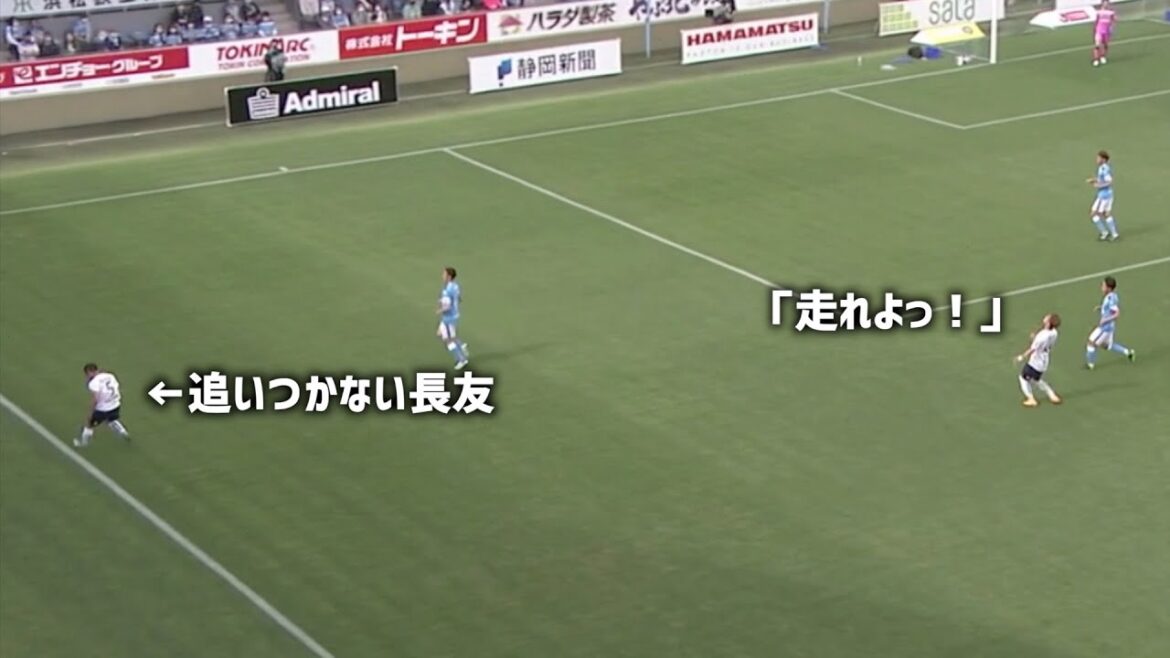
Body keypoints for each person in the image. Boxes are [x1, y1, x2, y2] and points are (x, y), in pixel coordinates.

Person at [1085, 276, 1135, 369]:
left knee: (1091, 342)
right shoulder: (1112, 296)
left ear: (1109, 288)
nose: (1101, 287)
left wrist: (1105, 320)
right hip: (1109, 327)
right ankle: (1128, 352)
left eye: (1103, 285)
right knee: (1107, 345)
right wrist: (1101, 308)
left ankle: (1090, 364)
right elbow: (1110, 309)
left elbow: (1116, 314)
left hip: (1105, 328)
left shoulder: (1110, 299)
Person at [76, 363, 131, 447]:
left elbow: (95, 398)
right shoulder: (110, 375)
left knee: (89, 424)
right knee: (111, 420)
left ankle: (83, 442)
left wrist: (90, 412)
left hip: (103, 409)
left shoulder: (93, 383)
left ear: (89, 372)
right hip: (115, 404)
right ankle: (123, 432)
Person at [1015, 314, 1062, 408]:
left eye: (1047, 318)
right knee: (1036, 379)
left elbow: (1033, 349)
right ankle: (1052, 395)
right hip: (1044, 360)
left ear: (1048, 323)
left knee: (1023, 378)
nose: (1045, 317)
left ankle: (1031, 399)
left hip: (1036, 361)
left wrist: (1022, 357)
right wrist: (1035, 337)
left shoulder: (1041, 337)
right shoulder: (1054, 332)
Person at [437, 267, 469, 370]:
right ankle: (461, 346)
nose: (442, 276)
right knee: (443, 335)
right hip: (454, 315)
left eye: (444, 274)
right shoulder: (455, 286)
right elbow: (459, 298)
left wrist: (440, 310)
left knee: (448, 340)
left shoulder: (447, 290)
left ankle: (461, 360)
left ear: (449, 276)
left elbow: (447, 306)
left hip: (448, 318)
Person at [1086, 150, 1117, 241]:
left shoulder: (1104, 169)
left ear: (1103, 159)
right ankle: (1113, 233)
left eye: (1098, 158)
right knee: (1105, 214)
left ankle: (1105, 232)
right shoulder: (1102, 168)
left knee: (1095, 214)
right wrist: (1094, 180)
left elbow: (1109, 181)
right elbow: (1101, 179)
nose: (1096, 159)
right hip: (1106, 194)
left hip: (1104, 195)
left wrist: (1098, 185)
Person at [1092, 0, 1116, 67]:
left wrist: (1111, 27)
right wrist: (1094, 29)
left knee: (1105, 45)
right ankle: (1096, 59)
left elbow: (1113, 20)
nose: (1106, 5)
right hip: (1099, 30)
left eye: (1107, 3)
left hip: (1107, 31)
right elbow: (1096, 20)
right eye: (1104, 3)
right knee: (1097, 45)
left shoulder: (1111, 12)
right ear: (1102, 4)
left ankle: (1103, 56)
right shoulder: (1099, 12)